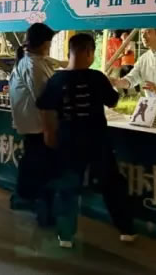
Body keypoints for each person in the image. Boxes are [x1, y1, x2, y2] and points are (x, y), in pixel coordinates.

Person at [36, 33, 135, 248]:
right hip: (97, 140)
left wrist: (49, 133)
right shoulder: (97, 77)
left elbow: (45, 108)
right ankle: (126, 230)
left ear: (70, 52)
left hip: (67, 140)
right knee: (111, 182)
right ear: (89, 52)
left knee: (68, 185)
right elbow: (113, 102)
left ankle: (66, 235)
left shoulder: (56, 79)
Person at [9, 23, 66, 203]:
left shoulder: (36, 61)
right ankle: (27, 198)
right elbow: (43, 98)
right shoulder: (32, 65)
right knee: (36, 162)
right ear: (44, 43)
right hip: (37, 124)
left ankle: (25, 197)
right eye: (49, 43)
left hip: (35, 123)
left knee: (33, 161)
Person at [119, 32, 137, 97]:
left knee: (133, 77)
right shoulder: (122, 44)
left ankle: (138, 92)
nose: (123, 38)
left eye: (124, 37)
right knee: (122, 78)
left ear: (127, 36)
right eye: (122, 37)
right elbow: (121, 53)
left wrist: (121, 54)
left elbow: (127, 52)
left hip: (129, 63)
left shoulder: (131, 43)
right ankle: (126, 93)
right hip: (123, 64)